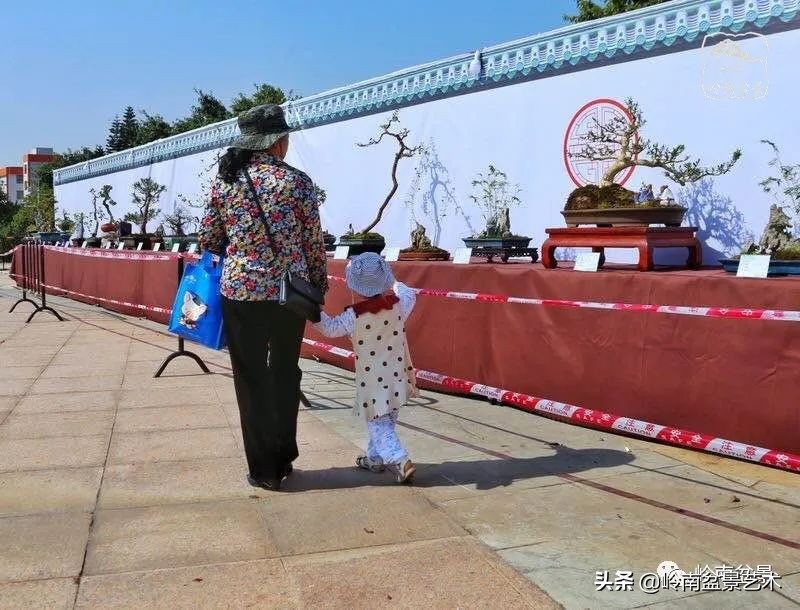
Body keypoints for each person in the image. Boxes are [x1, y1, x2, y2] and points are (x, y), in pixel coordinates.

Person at [199, 104, 328, 491]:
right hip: (289, 295)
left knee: (250, 378)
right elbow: (312, 245)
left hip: (240, 292)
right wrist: (318, 287)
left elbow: (209, 239)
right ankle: (284, 455)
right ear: (277, 142)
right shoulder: (298, 183)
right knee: (285, 372)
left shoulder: (225, 183)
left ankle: (262, 470)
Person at [313, 253, 418, 484]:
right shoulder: (399, 305)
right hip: (397, 375)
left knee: (378, 422)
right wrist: (393, 283)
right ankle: (374, 458)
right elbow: (410, 292)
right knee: (386, 420)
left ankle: (400, 460)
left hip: (372, 381)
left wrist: (313, 311)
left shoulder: (354, 316)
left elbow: (330, 328)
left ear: (355, 286)